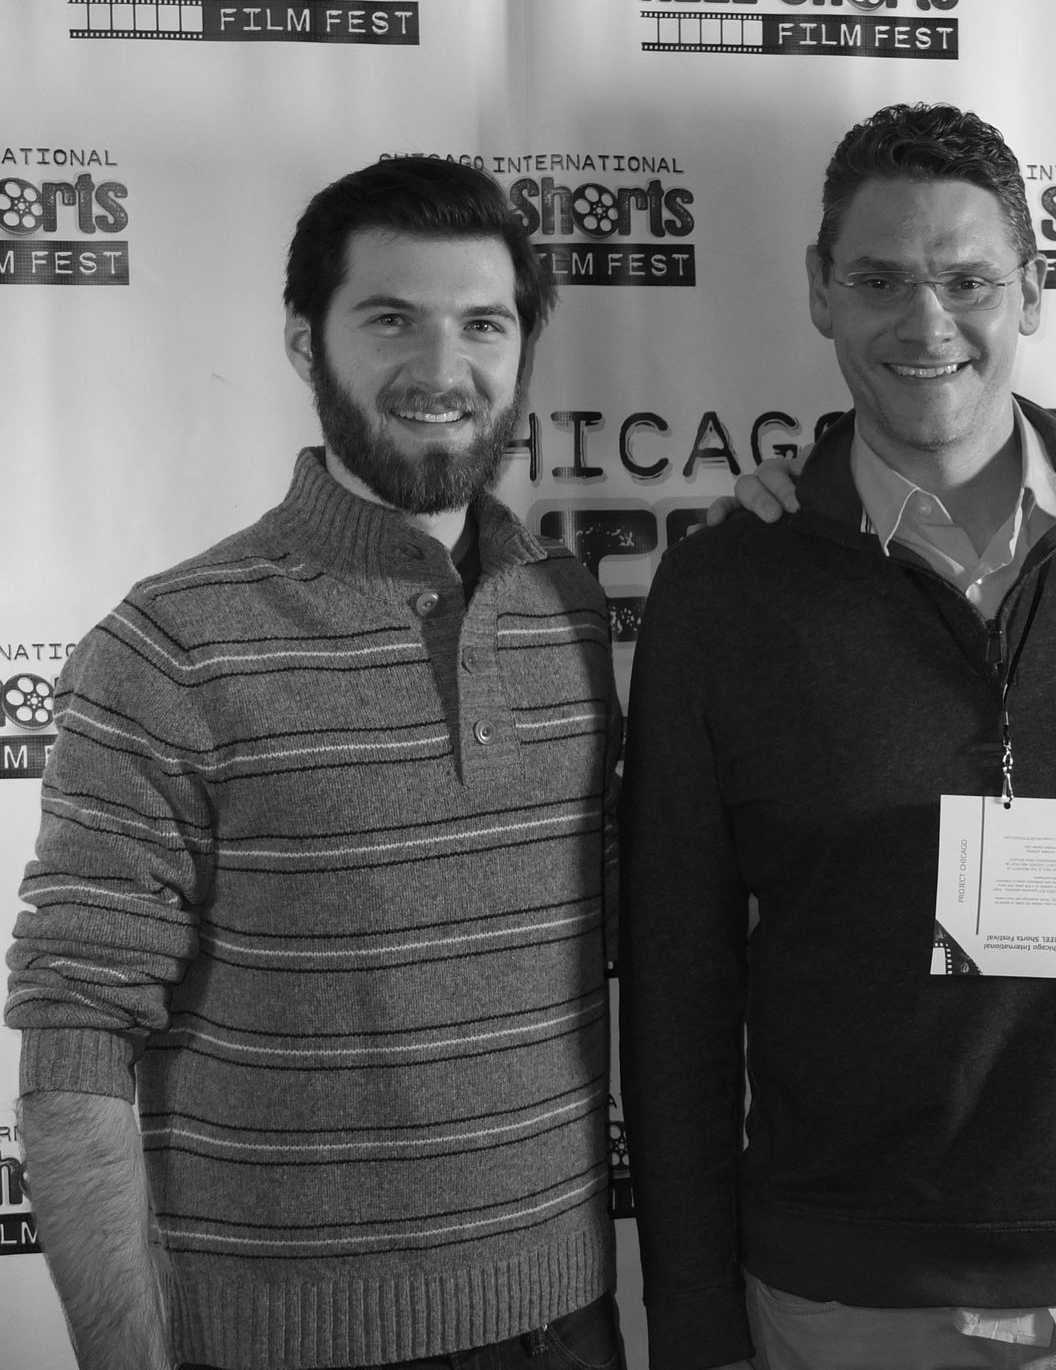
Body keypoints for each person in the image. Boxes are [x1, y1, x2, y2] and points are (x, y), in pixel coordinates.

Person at [619, 102, 1056, 1370]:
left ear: (1035, 291)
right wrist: (690, 1319)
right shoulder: (727, 588)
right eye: (881, 280)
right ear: (818, 293)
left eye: (968, 281)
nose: (926, 322)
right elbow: (677, 978)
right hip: (845, 1307)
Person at [6, 156, 625, 1370]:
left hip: (572, 1322)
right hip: (284, 1345)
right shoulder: (171, 646)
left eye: (482, 325)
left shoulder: (569, 616)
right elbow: (76, 1035)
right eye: (391, 319)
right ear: (304, 342)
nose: (443, 372)